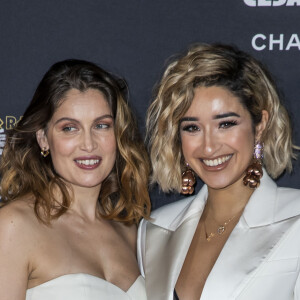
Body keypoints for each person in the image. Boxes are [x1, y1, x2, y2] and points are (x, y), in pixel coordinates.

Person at [137, 44, 300, 300]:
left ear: (260, 126)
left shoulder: (296, 219)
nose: (209, 146)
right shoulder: (155, 228)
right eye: (192, 128)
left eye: (225, 124)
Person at [0, 59, 150, 300]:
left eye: (101, 125)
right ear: (43, 139)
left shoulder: (129, 230)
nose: (89, 144)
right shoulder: (13, 227)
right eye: (70, 128)